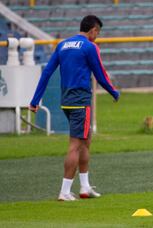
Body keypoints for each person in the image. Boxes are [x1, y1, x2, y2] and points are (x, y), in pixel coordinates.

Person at [29, 15, 120, 201]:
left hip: (66, 100)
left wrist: (35, 100)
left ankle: (85, 187)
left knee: (86, 141)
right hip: (81, 101)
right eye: (97, 33)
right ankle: (64, 191)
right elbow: (100, 73)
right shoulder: (89, 46)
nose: (97, 36)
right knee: (75, 145)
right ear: (93, 30)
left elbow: (47, 72)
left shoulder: (62, 45)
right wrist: (113, 91)